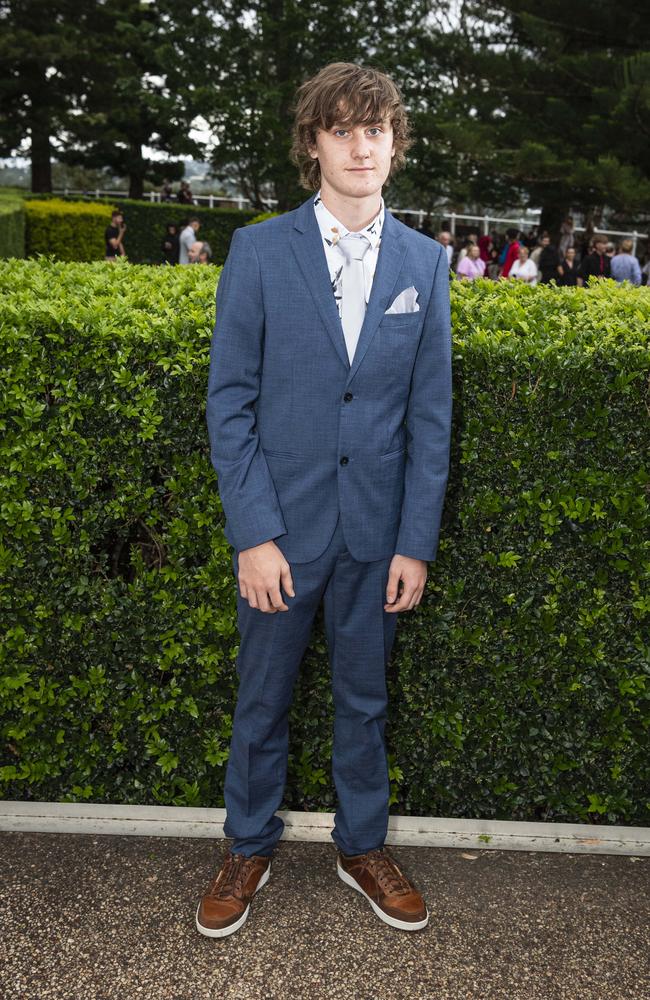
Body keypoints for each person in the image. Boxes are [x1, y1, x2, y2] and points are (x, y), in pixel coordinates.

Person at [202, 60, 452, 939]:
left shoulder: (427, 261)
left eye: (375, 130)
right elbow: (228, 402)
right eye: (342, 129)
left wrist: (414, 543)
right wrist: (254, 533)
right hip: (283, 532)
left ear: (395, 145)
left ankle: (363, 846)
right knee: (262, 697)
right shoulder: (260, 251)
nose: (361, 145)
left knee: (366, 699)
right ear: (314, 144)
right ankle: (246, 844)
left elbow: (431, 417)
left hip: (377, 537)